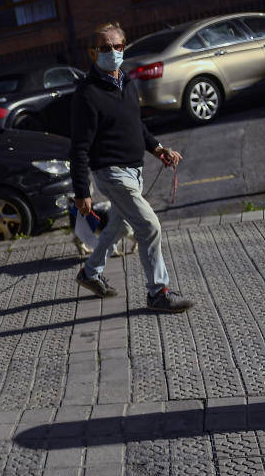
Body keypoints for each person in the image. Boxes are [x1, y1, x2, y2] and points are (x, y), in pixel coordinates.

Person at [70, 21, 194, 312]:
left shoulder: (126, 82)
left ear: (123, 47)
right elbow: (78, 146)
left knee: (118, 224)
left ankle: (90, 273)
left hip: (134, 171)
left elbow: (134, 124)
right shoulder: (87, 94)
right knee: (148, 225)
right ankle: (157, 293)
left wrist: (157, 148)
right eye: (104, 48)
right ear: (92, 53)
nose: (112, 52)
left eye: (117, 46)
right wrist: (80, 191)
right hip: (111, 173)